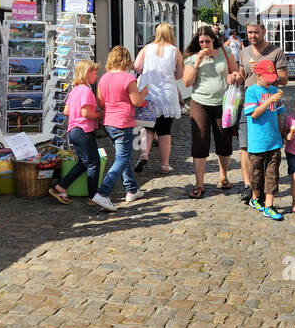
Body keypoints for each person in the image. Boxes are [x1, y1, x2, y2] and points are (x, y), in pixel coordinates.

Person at [226, 20, 287, 204]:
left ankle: (261, 187)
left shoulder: (276, 52)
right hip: (248, 103)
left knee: (267, 148)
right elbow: (242, 73)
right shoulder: (244, 52)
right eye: (250, 32)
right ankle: (249, 186)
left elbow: (284, 79)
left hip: (268, 105)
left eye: (256, 32)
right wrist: (236, 75)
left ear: (264, 31)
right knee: (245, 146)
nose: (253, 35)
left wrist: (267, 73)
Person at [182, 25, 238, 199]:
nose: (204, 44)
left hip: (224, 102)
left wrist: (234, 76)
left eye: (207, 41)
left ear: (213, 39)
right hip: (200, 102)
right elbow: (186, 82)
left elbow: (236, 71)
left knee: (224, 139)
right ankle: (199, 184)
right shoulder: (192, 58)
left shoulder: (225, 51)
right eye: (201, 42)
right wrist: (197, 63)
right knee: (200, 142)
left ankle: (223, 176)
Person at [91, 45, 148, 212]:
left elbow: (100, 102)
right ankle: (103, 192)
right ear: (126, 60)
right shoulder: (128, 78)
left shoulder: (104, 78)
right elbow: (137, 101)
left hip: (108, 122)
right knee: (123, 158)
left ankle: (131, 189)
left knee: (124, 156)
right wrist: (143, 94)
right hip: (123, 122)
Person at [49, 59, 103, 205]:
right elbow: (86, 113)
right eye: (95, 72)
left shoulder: (74, 90)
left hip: (73, 131)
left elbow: (66, 111)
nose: (96, 75)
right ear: (87, 73)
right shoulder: (86, 90)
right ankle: (93, 196)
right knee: (93, 162)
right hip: (84, 130)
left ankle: (61, 186)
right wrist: (99, 115)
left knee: (84, 162)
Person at [133, 23, 183, 175]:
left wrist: (146, 73)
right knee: (165, 131)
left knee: (147, 127)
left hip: (149, 93)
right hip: (167, 95)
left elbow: (136, 66)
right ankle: (165, 165)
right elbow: (180, 75)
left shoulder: (147, 48)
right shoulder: (175, 51)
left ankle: (144, 155)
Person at [243, 58, 285, 221]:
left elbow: (280, 113)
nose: (269, 82)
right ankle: (255, 198)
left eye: (271, 78)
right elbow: (253, 114)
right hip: (257, 142)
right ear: (257, 74)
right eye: (266, 78)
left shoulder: (275, 90)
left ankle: (269, 206)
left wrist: (283, 131)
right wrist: (268, 101)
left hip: (274, 140)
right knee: (257, 174)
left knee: (272, 174)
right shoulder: (251, 91)